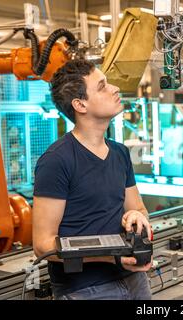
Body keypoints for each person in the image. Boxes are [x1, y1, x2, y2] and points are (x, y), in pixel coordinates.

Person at [32, 59, 152, 300]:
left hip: (134, 280)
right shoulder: (57, 160)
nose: (115, 89)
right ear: (80, 104)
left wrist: (139, 216)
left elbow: (138, 208)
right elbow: (43, 245)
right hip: (85, 289)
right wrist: (111, 256)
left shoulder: (120, 153)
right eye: (102, 86)